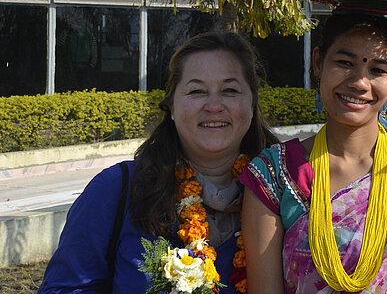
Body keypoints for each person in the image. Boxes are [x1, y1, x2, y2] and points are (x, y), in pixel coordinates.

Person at [239, 12, 387, 294]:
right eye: (344, 63)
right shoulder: (276, 175)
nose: (360, 82)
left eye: (377, 70)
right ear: (317, 63)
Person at [39, 31, 277, 293]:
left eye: (230, 90)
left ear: (252, 104)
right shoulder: (116, 190)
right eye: (196, 91)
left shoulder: (284, 196)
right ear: (172, 107)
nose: (213, 105)